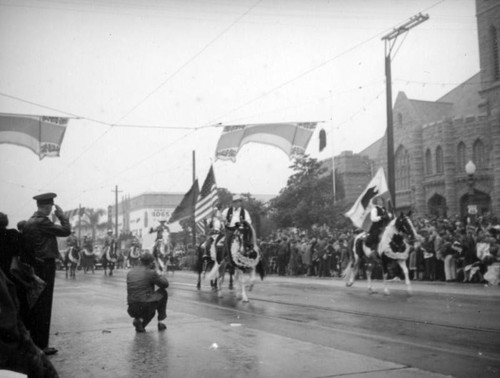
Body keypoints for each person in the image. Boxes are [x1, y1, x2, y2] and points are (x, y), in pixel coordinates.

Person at [23, 192, 71, 355]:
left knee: (37, 305)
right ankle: (41, 345)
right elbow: (66, 231)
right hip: (45, 266)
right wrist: (62, 216)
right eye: (51, 206)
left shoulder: (30, 221)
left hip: (36, 265)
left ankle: (35, 342)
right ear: (49, 207)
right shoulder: (42, 222)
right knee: (44, 306)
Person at [126, 252, 169, 333]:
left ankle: (140, 322)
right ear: (151, 263)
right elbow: (165, 284)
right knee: (163, 292)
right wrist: (158, 271)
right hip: (145, 306)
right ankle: (160, 322)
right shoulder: (151, 272)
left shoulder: (130, 272)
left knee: (150, 310)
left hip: (132, 308)